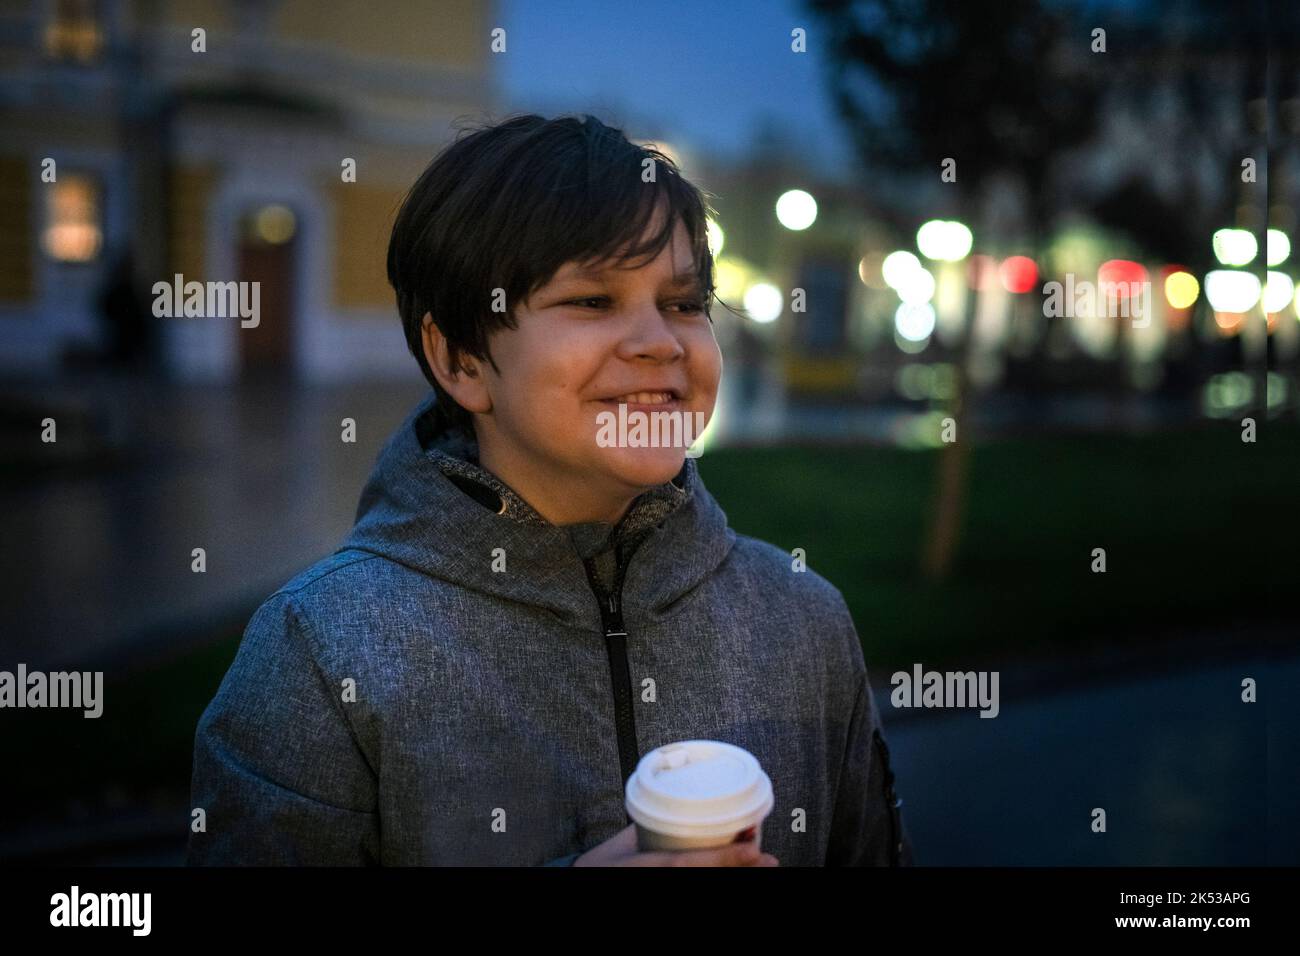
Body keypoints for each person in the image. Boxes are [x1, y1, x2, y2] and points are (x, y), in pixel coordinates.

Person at [186, 113, 913, 867]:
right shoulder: (319, 655)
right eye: (592, 301)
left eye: (685, 303)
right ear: (462, 358)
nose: (660, 343)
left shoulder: (802, 622)